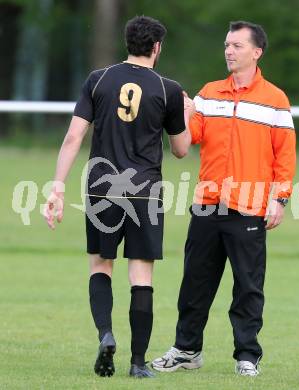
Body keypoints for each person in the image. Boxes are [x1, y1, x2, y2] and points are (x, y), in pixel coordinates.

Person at [44, 15, 190, 379]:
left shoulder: (99, 79)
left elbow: (73, 138)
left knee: (100, 265)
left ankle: (106, 334)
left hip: (101, 187)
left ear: (128, 43)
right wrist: (188, 111)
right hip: (145, 191)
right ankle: (138, 363)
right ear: (157, 47)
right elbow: (181, 150)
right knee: (141, 275)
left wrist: (57, 186)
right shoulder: (167, 88)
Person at [152, 20, 296, 376]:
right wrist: (184, 113)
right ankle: (187, 350)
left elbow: (285, 156)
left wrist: (280, 199)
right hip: (207, 204)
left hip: (249, 206)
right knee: (194, 283)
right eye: (227, 45)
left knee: (248, 286)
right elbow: (189, 140)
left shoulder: (275, 100)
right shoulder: (209, 93)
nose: (229, 51)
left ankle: (247, 355)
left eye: (237, 45)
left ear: (256, 52)